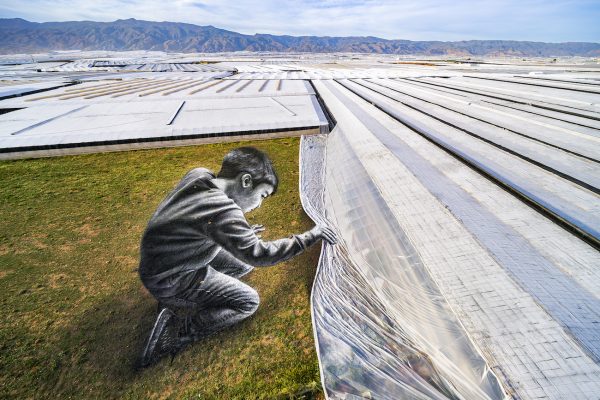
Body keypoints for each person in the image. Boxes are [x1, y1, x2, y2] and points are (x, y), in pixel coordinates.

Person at [138, 146, 336, 367]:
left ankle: (191, 294)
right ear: (245, 181)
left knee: (242, 266)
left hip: (160, 259)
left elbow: (193, 219)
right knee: (248, 301)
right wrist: (310, 236)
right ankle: (175, 332)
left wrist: (238, 233)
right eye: (262, 195)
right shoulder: (223, 212)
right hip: (169, 278)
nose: (260, 204)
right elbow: (259, 255)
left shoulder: (199, 174)